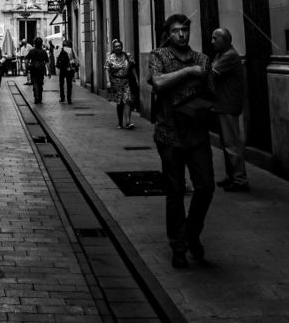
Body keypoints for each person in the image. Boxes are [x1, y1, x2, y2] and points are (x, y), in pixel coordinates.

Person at [148, 14, 214, 269]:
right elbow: (158, 81)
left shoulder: (203, 59)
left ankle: (192, 232)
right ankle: (178, 245)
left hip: (197, 135)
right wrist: (188, 72)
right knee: (174, 192)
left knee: (206, 186)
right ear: (169, 33)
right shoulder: (159, 56)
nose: (182, 35)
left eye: (185, 30)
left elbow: (211, 91)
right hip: (169, 135)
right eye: (176, 31)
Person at [210, 27, 250, 192]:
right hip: (222, 104)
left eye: (215, 38)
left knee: (231, 143)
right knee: (226, 143)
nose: (212, 42)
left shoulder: (229, 56)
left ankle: (239, 179)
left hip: (228, 104)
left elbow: (211, 73)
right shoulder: (221, 54)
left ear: (225, 40)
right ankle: (231, 175)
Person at [105, 39, 137, 128]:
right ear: (113, 48)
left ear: (122, 47)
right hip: (116, 83)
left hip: (126, 81)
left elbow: (133, 67)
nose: (118, 48)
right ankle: (120, 122)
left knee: (127, 100)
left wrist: (136, 79)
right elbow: (107, 69)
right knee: (120, 103)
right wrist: (108, 81)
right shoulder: (110, 58)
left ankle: (128, 122)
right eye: (116, 46)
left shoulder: (127, 55)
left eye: (119, 46)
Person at [25, 37, 49, 103]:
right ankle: (40, 97)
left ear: (34, 43)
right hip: (41, 69)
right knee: (40, 83)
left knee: (35, 82)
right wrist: (48, 71)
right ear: (41, 43)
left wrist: (27, 66)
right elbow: (47, 62)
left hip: (33, 68)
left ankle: (36, 97)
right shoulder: (43, 52)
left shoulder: (32, 51)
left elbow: (27, 59)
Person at [56, 39, 78, 104]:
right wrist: (75, 66)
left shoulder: (60, 49)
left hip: (62, 69)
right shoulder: (71, 50)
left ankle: (62, 97)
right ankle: (69, 99)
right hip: (69, 69)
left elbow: (57, 58)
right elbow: (75, 59)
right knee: (69, 84)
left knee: (61, 84)